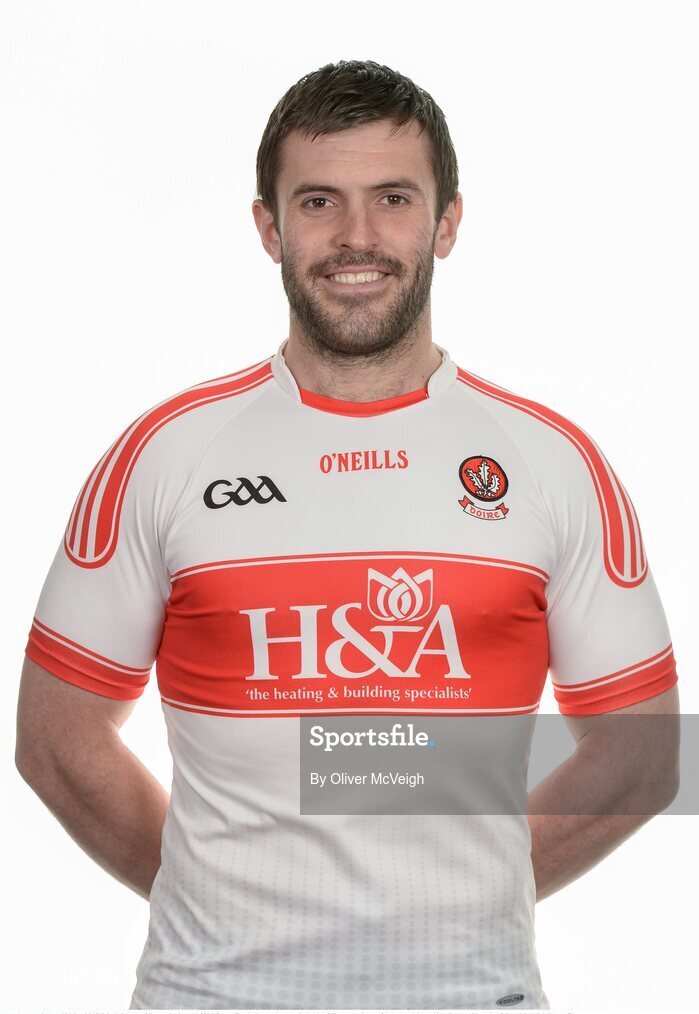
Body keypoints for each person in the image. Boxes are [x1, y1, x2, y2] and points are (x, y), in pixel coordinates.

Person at [15, 59, 680, 1011]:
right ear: (268, 226)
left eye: (394, 199)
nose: (356, 236)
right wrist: (219, 900)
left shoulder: (551, 461)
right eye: (319, 200)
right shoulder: (164, 454)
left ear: (446, 222)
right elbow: (54, 739)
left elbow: (644, 755)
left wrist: (465, 899)